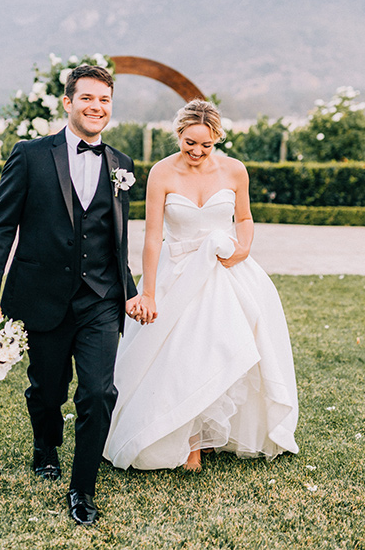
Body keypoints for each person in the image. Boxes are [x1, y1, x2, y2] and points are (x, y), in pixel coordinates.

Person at [0, 65, 141, 525]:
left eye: (105, 100)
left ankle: (82, 488)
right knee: (48, 391)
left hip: (100, 299)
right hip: (42, 296)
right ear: (67, 103)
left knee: (99, 392)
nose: (97, 107)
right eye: (87, 98)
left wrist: (129, 292)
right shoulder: (29, 155)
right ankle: (45, 446)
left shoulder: (122, 165)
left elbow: (115, 238)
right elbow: (1, 225)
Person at [104, 99, 299, 472]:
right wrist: (148, 291)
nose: (196, 151)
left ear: (217, 139)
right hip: (176, 271)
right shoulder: (161, 173)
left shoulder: (234, 171)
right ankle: (188, 442)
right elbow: (152, 236)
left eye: (205, 145)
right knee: (181, 353)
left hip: (225, 271)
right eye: (189, 142)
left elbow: (244, 217)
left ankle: (211, 435)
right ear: (178, 134)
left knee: (221, 347)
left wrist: (244, 248)